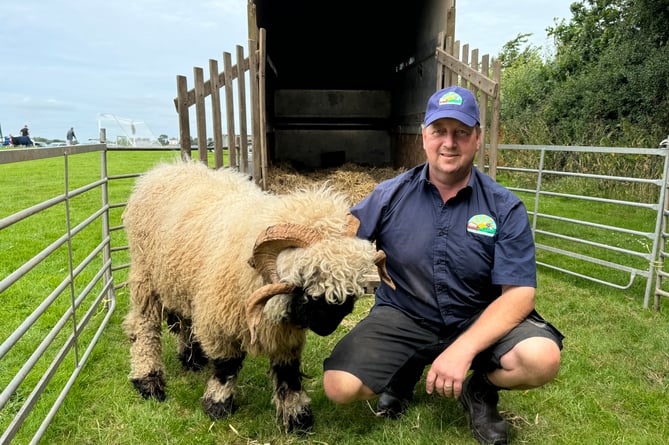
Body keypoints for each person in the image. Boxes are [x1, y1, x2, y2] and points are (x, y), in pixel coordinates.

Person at [322, 86, 564, 445]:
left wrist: (462, 350)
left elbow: (520, 295)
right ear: (424, 137)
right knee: (339, 387)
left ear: (477, 138)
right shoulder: (388, 195)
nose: (449, 143)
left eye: (461, 132)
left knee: (541, 358)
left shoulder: (504, 207)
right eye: (439, 131)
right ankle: (403, 371)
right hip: (403, 315)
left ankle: (479, 390)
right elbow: (340, 241)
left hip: (476, 316)